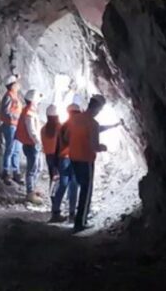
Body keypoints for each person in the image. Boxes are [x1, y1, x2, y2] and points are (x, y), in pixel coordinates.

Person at [62, 95, 108, 233]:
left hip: (73, 157)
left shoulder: (75, 118)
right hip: (86, 160)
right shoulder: (93, 123)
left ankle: (77, 218)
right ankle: (80, 222)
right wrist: (103, 147)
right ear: (98, 108)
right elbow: (94, 146)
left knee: (78, 187)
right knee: (86, 191)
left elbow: (65, 137)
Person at [49, 103, 80, 223]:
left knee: (63, 185)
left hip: (63, 159)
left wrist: (55, 164)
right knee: (73, 185)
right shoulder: (76, 125)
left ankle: (55, 212)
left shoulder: (63, 126)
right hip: (74, 158)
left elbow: (57, 146)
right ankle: (72, 214)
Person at [16, 89, 44, 205]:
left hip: (33, 144)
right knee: (32, 170)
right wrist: (38, 142)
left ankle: (32, 189)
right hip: (31, 145)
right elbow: (32, 131)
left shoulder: (31, 111)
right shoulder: (29, 114)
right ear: (33, 100)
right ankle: (29, 193)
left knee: (38, 167)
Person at [0, 74, 24, 185]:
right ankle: (6, 172)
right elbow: (5, 112)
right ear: (12, 85)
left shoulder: (14, 95)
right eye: (16, 83)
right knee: (9, 149)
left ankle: (16, 172)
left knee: (16, 150)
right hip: (10, 126)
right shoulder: (9, 97)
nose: (18, 84)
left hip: (16, 126)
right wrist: (17, 117)